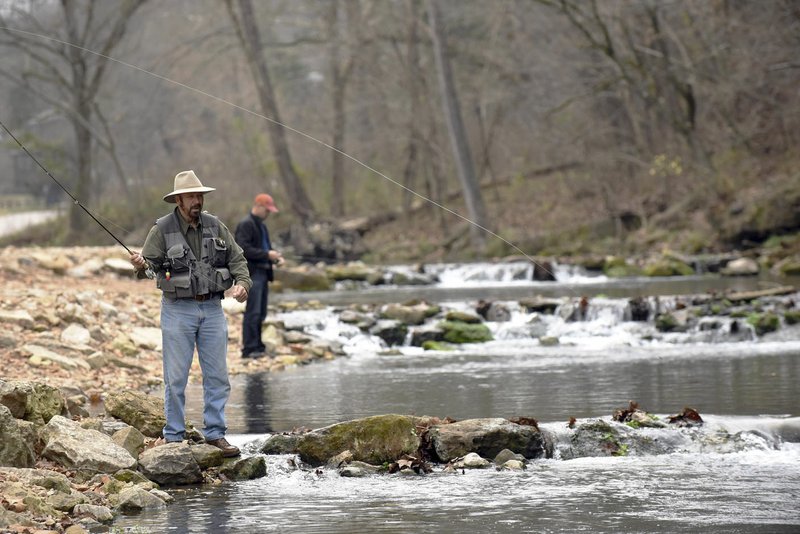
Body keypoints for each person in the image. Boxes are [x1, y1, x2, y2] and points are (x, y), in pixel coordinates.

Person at [129, 170, 251, 458]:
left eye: (200, 196)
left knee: (218, 376)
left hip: (212, 308)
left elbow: (237, 259)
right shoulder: (161, 229)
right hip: (177, 310)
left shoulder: (215, 225)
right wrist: (139, 264)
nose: (197, 201)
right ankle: (173, 437)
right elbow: (149, 269)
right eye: (192, 196)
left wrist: (243, 284)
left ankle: (216, 435)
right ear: (179, 200)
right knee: (175, 378)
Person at [235, 193, 284, 358]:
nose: (269, 213)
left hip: (263, 273)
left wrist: (275, 258)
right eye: (267, 210)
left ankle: (258, 345)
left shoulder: (262, 226)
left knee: (261, 312)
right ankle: (249, 349)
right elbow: (242, 249)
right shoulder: (245, 224)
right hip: (252, 274)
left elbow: (266, 248)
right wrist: (267, 254)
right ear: (259, 206)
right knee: (253, 312)